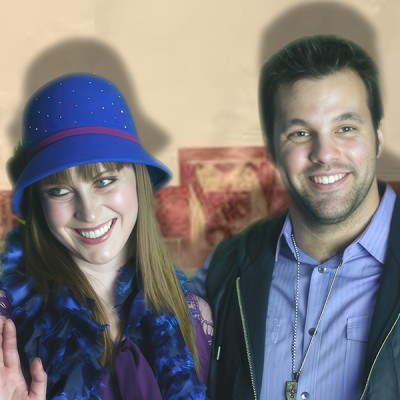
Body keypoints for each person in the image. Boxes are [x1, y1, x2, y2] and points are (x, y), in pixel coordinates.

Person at [204, 34, 400, 399]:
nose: (324, 153)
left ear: (376, 137)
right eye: (300, 133)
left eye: (346, 128)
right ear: (274, 151)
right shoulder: (227, 266)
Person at [0, 73, 212, 399]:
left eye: (104, 181)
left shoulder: (196, 318)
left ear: (137, 180)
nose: (88, 211)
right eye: (59, 190)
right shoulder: (8, 328)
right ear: (39, 204)